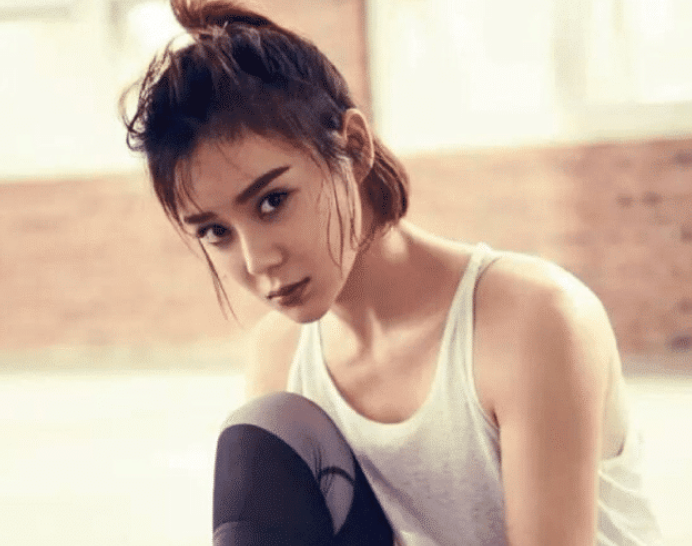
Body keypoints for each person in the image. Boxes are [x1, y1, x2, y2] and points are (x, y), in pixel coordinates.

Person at [121, 1, 662, 544]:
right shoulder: (281, 355)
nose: (257, 260)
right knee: (265, 428)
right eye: (215, 231)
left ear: (353, 149)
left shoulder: (533, 319)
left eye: (272, 201)